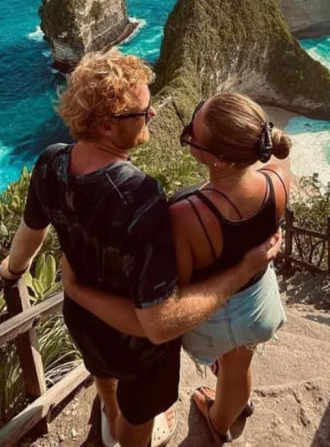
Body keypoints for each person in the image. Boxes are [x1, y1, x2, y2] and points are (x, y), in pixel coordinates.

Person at [0, 49, 281, 447]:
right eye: (141, 113)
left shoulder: (50, 163)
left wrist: (13, 270)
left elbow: (32, 230)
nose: (151, 117)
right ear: (105, 125)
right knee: (140, 417)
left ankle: (109, 415)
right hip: (138, 347)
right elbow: (159, 322)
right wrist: (241, 271)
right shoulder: (139, 196)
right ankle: (126, 428)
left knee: (103, 375)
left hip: (83, 322)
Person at [63, 92, 291, 444]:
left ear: (219, 161)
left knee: (227, 355)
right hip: (259, 301)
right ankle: (220, 422)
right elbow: (275, 175)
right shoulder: (279, 178)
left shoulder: (188, 213)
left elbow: (176, 289)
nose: (186, 135)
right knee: (238, 365)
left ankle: (212, 415)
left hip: (217, 312)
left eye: (191, 136)